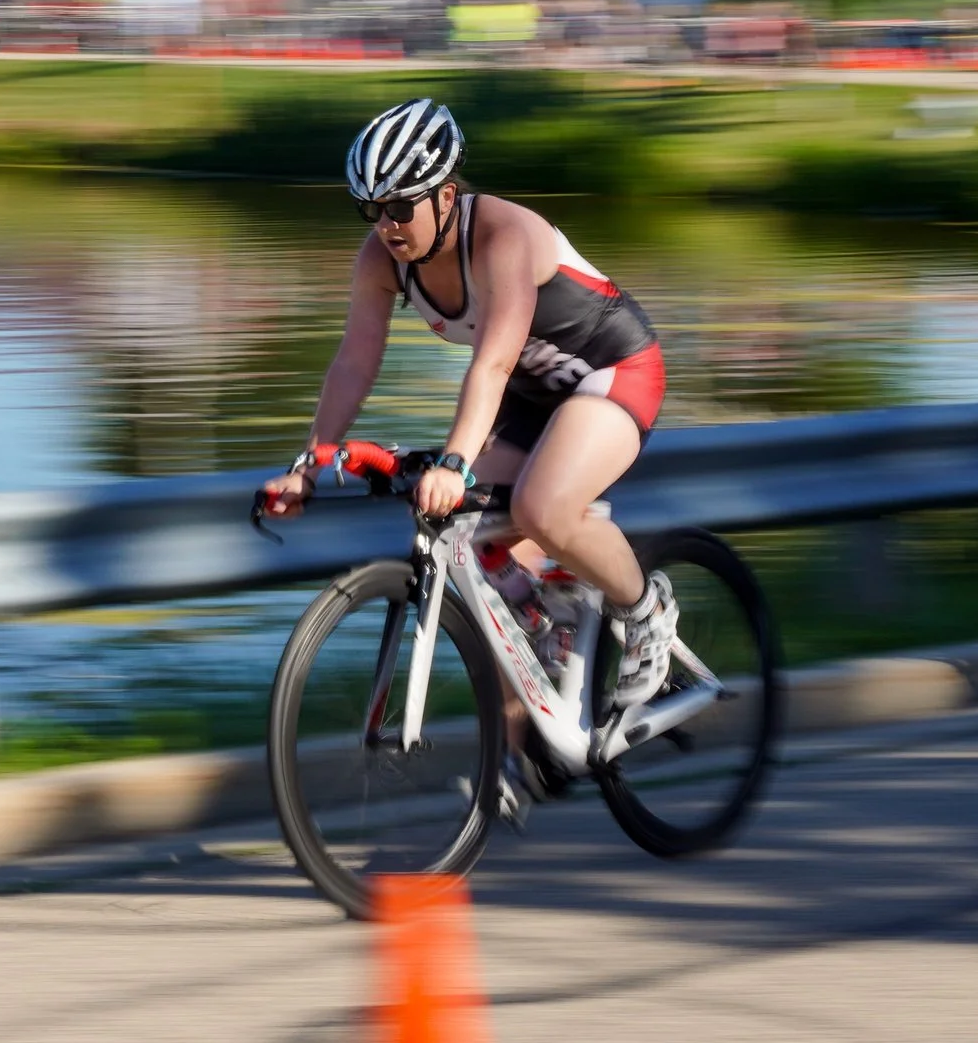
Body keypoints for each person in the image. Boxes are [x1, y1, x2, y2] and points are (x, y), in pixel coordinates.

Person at [260, 98, 678, 706]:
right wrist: (309, 463)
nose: (386, 225)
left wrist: (455, 464)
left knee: (541, 507)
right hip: (534, 397)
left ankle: (646, 608)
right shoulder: (382, 260)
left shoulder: (503, 238)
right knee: (456, 527)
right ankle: (542, 612)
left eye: (401, 206)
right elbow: (355, 361)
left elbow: (493, 363)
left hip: (612, 372)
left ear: (446, 196)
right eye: (370, 208)